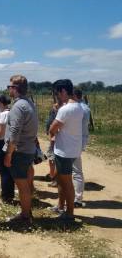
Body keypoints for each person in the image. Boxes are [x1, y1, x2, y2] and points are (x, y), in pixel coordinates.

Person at [3, 75, 38, 223]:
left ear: (15, 89)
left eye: (9, 87)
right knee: (25, 183)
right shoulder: (29, 103)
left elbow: (14, 132)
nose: (8, 90)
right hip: (29, 148)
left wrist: (9, 154)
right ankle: (27, 211)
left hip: (19, 151)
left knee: (21, 184)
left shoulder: (18, 107)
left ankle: (25, 216)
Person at [49, 79, 83, 221]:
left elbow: (52, 128)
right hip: (72, 149)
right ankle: (61, 206)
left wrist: (53, 134)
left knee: (66, 182)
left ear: (63, 91)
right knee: (60, 178)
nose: (57, 96)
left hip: (64, 150)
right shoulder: (79, 106)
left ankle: (69, 213)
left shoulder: (65, 109)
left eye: (57, 93)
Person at [72, 88, 91, 207]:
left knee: (76, 170)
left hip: (75, 141)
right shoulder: (85, 107)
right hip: (80, 140)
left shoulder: (79, 108)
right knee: (76, 170)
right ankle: (76, 197)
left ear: (74, 96)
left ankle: (77, 199)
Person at [0, 94, 14, 204]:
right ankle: (10, 195)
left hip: (1, 143)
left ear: (0, 103)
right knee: (9, 170)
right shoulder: (12, 113)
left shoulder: (2, 115)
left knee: (3, 171)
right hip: (10, 143)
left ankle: (5, 197)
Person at [45, 97, 64, 187]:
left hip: (55, 138)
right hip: (54, 137)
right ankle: (53, 176)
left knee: (53, 158)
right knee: (52, 158)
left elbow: (55, 125)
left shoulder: (61, 112)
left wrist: (52, 135)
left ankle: (55, 179)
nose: (55, 106)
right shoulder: (56, 110)